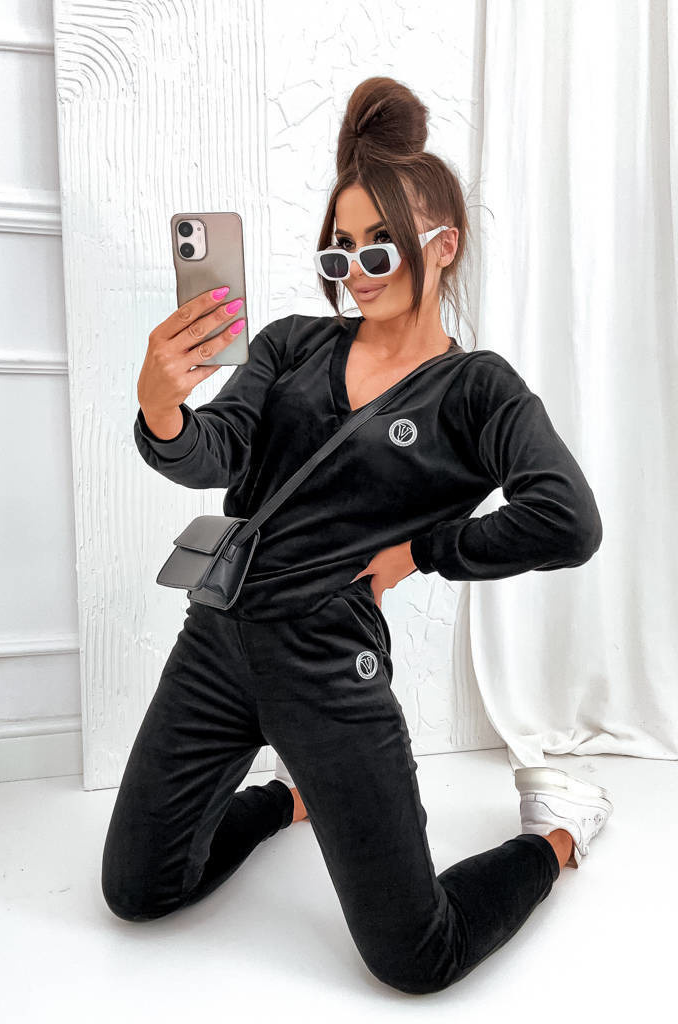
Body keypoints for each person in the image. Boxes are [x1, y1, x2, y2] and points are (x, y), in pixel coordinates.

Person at [101, 77, 612, 994]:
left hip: (329, 670)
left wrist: (423, 553)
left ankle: (559, 834)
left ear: (443, 245)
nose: (356, 269)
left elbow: (568, 519)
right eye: (340, 249)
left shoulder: (476, 390)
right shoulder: (292, 344)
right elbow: (216, 448)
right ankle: (285, 800)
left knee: (416, 957)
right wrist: (162, 407)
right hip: (216, 639)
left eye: (380, 245)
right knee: (137, 891)